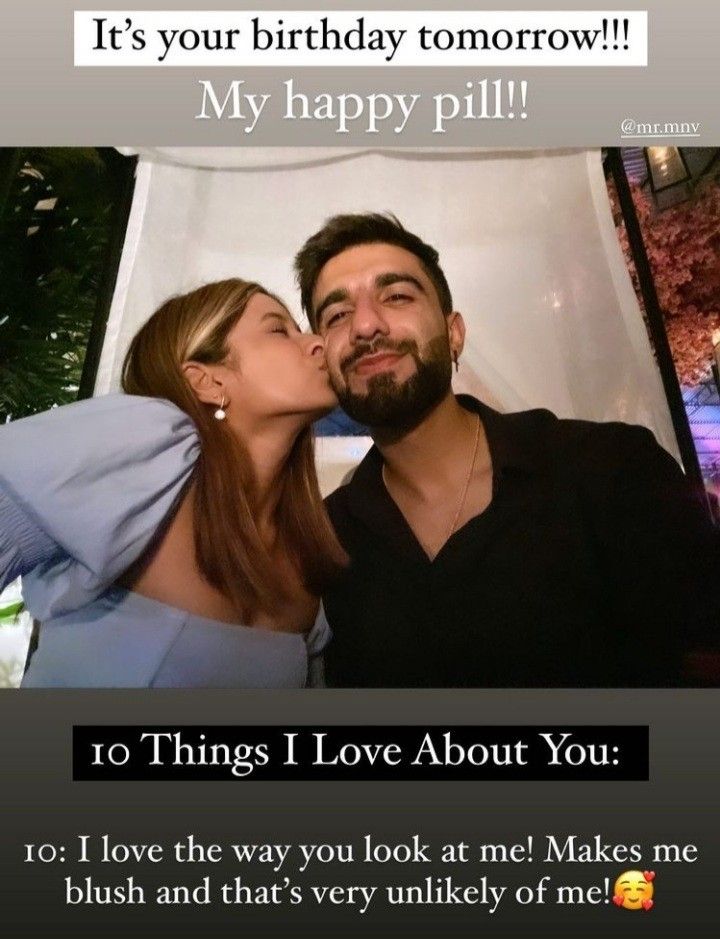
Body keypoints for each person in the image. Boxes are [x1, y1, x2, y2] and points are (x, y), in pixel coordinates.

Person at [294, 212, 720, 687]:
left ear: (454, 333)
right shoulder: (324, 542)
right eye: (336, 315)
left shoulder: (610, 467)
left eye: (396, 295)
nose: (366, 325)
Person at [0, 278, 347, 687]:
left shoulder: (308, 553)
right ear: (207, 381)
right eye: (278, 329)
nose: (317, 343)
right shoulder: (148, 442)